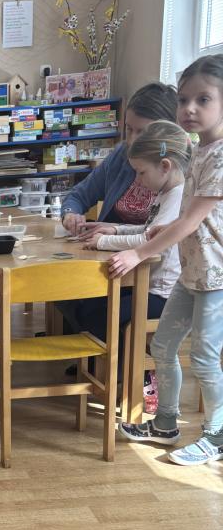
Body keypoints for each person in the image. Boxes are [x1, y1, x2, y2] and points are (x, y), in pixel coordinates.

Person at [111, 55, 223, 466]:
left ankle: (217, 435)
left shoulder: (220, 156)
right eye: (183, 99)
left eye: (203, 99)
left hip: (215, 278)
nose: (189, 109)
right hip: (191, 274)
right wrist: (160, 230)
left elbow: (192, 220)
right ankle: (165, 423)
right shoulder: (199, 151)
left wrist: (139, 251)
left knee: (204, 359)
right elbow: (189, 218)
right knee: (162, 346)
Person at [73, 120, 191, 409]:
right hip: (150, 286)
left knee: (101, 314)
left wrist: (104, 241)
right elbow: (149, 231)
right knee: (90, 305)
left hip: (163, 294)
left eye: (141, 172)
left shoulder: (178, 196)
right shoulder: (165, 192)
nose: (137, 181)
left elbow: (150, 241)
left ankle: (136, 377)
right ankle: (116, 372)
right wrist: (113, 228)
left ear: (165, 167)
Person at [62, 82, 178, 234]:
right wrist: (70, 214)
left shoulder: (183, 173)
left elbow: (162, 233)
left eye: (143, 132)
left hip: (145, 247)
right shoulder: (120, 155)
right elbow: (78, 196)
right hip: (105, 244)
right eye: (129, 129)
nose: (132, 140)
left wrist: (116, 230)